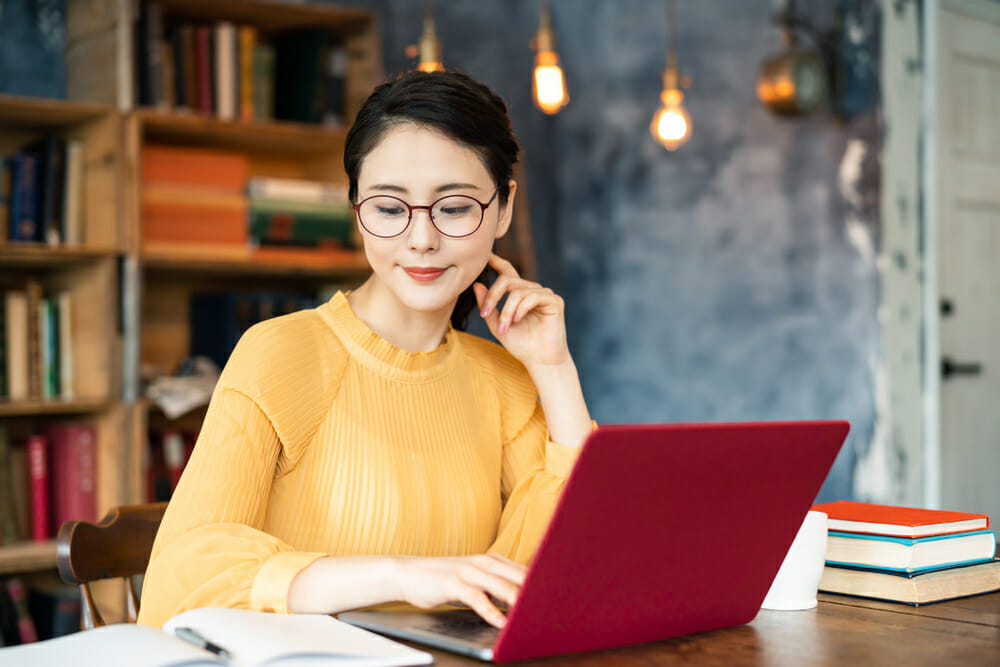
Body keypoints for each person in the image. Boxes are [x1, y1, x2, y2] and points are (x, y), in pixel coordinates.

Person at [137, 70, 593, 630]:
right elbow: (179, 581)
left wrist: (554, 369)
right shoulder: (280, 353)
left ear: (503, 209)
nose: (421, 238)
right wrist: (402, 576)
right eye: (388, 208)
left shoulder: (505, 380)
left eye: (453, 209)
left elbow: (576, 562)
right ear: (356, 208)